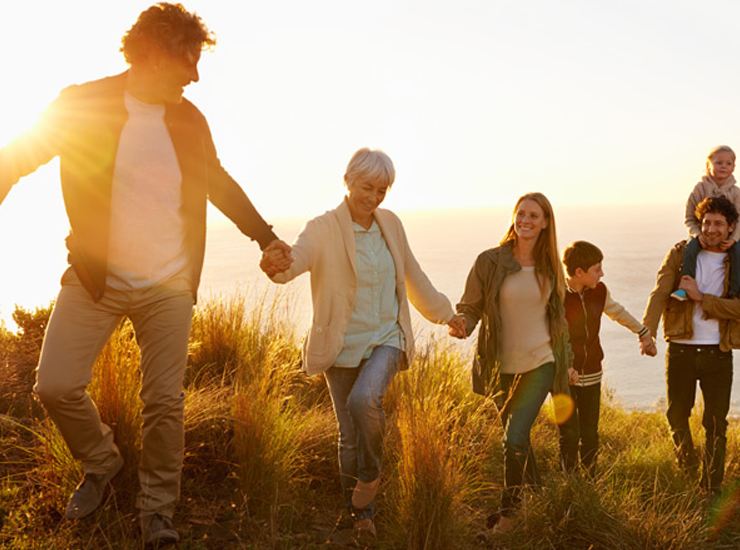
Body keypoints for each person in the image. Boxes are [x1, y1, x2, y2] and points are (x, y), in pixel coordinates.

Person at [0, 3, 291, 545]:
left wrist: (266, 237)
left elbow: (218, 182)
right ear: (155, 55)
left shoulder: (188, 118)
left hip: (168, 285)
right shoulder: (82, 103)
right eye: (188, 61)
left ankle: (157, 509)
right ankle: (102, 461)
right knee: (55, 385)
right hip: (94, 278)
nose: (196, 75)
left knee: (164, 400)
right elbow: (18, 157)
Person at [260, 147, 465, 542]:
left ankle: (369, 478)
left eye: (383, 190)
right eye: (367, 187)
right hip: (340, 344)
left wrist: (445, 314)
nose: (374, 197)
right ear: (348, 181)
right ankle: (359, 514)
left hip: (387, 337)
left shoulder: (391, 224)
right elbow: (295, 262)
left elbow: (413, 275)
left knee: (362, 401)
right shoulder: (322, 228)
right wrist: (275, 265)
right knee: (349, 435)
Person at [452, 192, 572, 533]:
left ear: (546, 222)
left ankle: (509, 516)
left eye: (534, 215)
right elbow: (471, 307)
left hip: (541, 362)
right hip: (499, 366)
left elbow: (559, 319)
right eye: (521, 214)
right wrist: (463, 325)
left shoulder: (552, 267)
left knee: (514, 438)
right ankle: (537, 499)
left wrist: (568, 364)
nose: (526, 220)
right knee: (517, 439)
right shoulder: (490, 261)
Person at [643, 196, 740, 500]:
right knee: (676, 415)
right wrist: (647, 333)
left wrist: (700, 298)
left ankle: (710, 486)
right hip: (681, 350)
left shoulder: (736, 260)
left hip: (717, 352)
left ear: (731, 228)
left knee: (715, 423)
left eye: (718, 224)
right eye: (707, 222)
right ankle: (689, 469)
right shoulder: (681, 253)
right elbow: (660, 292)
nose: (711, 229)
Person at [559, 240, 657, 474]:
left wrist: (643, 333)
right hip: (564, 375)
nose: (602, 274)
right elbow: (550, 334)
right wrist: (565, 366)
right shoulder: (556, 295)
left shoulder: (599, 291)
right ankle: (568, 484)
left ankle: (590, 481)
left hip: (592, 370)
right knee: (569, 434)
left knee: (590, 432)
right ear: (579, 272)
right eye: (597, 269)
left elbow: (617, 312)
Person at [672, 145, 740, 300]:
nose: (724, 166)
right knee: (690, 249)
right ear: (708, 165)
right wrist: (697, 234)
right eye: (719, 163)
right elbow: (689, 217)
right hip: (702, 234)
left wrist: (734, 239)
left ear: (734, 167)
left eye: (728, 163)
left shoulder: (736, 193)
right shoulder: (699, 189)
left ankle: (734, 293)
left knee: (738, 252)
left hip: (730, 237)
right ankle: (685, 287)